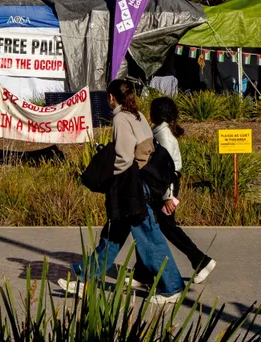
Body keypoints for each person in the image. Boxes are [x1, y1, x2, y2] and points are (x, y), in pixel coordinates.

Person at [59, 80, 185, 305]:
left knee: (149, 237)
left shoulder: (120, 118)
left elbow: (125, 157)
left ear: (110, 97)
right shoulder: (138, 115)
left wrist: (108, 177)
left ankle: (173, 286)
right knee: (112, 236)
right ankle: (85, 281)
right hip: (142, 182)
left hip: (132, 187)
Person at [129, 96, 216, 285]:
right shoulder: (160, 131)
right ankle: (142, 273)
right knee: (149, 223)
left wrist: (169, 196)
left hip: (165, 186)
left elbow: (168, 169)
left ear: (155, 114)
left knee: (165, 227)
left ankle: (201, 261)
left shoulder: (164, 135)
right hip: (160, 185)